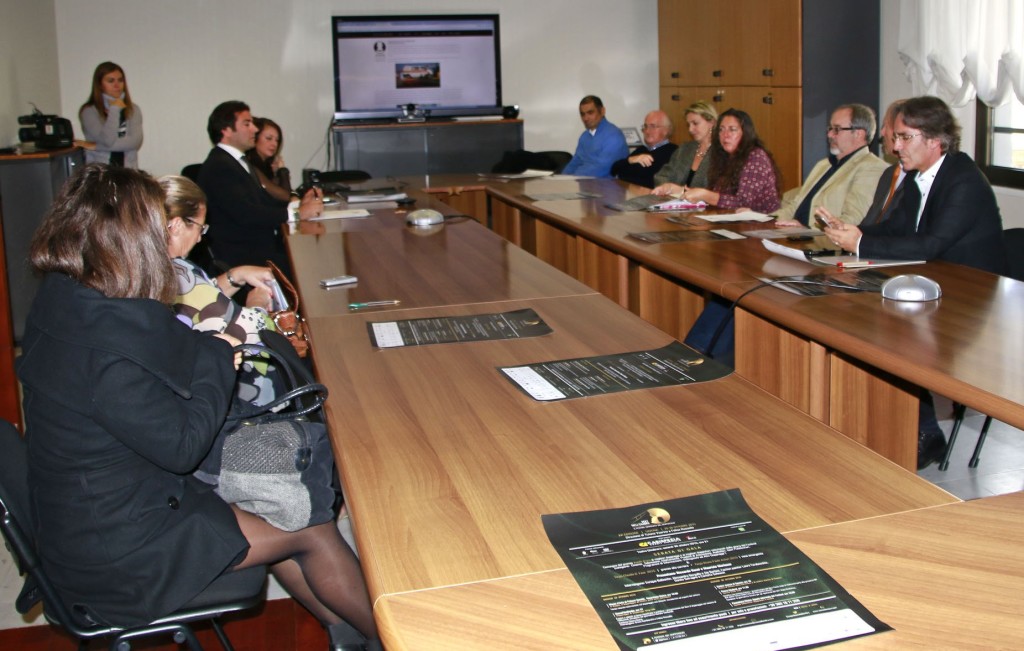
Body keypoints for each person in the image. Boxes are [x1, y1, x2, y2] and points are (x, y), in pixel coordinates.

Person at [18, 164, 379, 650]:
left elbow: (164, 364)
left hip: (90, 515)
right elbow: (184, 445)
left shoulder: (64, 300)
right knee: (312, 531)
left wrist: (212, 351)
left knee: (278, 515)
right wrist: (221, 358)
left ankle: (348, 634)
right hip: (120, 554)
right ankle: (399, 639)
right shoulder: (108, 345)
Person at [821, 96, 1007, 470]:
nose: (894, 147)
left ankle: (924, 432)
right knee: (856, 313)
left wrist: (859, 243)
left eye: (904, 138)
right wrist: (854, 231)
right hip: (933, 284)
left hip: (971, 300)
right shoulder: (918, 175)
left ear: (935, 140)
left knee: (892, 331)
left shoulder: (964, 180)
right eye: (896, 138)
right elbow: (896, 229)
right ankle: (864, 422)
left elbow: (932, 244)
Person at [196, 101, 323, 281]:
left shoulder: (236, 161)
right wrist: (296, 213)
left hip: (255, 246)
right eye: (247, 124)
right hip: (242, 255)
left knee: (308, 256)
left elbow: (263, 201)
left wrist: (300, 204)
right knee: (308, 263)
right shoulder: (220, 166)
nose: (255, 129)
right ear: (226, 130)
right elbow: (247, 213)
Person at [772, 104, 887, 228]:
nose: (830, 135)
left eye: (837, 129)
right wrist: (764, 221)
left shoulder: (871, 167)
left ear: (859, 134)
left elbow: (852, 219)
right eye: (830, 129)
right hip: (795, 235)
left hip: (823, 242)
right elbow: (795, 207)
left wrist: (806, 230)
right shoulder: (824, 164)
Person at [677, 108, 782, 213]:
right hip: (729, 219)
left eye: (732, 129)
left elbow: (743, 203)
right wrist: (687, 192)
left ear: (745, 133)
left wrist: (706, 195)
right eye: (721, 129)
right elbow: (719, 194)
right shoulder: (723, 156)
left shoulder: (755, 157)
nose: (725, 135)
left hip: (762, 223)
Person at [78, 62, 143, 168]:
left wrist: (95, 146)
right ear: (99, 84)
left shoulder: (133, 109)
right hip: (100, 172)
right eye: (111, 81)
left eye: (120, 80)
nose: (117, 85)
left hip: (128, 172)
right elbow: (107, 140)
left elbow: (134, 142)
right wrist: (115, 109)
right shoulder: (89, 111)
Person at [858, 99, 908, 227]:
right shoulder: (888, 174)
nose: (882, 132)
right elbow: (870, 223)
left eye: (886, 126)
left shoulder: (920, 178)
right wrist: (844, 229)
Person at [651, 100, 717, 194]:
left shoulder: (722, 153)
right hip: (675, 205)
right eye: (688, 125)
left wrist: (682, 191)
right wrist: (666, 187)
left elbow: (718, 192)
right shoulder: (685, 149)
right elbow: (661, 176)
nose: (690, 129)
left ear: (712, 122)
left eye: (695, 123)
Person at [561, 95, 629, 178]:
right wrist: (561, 178)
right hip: (584, 185)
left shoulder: (614, 136)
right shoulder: (584, 136)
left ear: (602, 111)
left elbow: (601, 169)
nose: (586, 118)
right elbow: (575, 162)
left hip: (607, 188)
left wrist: (574, 178)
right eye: (582, 114)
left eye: (590, 112)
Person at [610, 110, 677, 188]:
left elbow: (653, 181)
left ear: (666, 130)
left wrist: (629, 173)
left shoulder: (675, 152)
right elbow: (614, 169)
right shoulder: (642, 149)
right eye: (645, 126)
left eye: (653, 126)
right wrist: (631, 160)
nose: (647, 131)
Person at [244, 117, 294, 202]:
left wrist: (276, 174)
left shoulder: (267, 166)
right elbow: (285, 196)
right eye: (268, 138)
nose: (274, 144)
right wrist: (282, 171)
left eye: (277, 140)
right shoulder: (250, 165)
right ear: (255, 138)